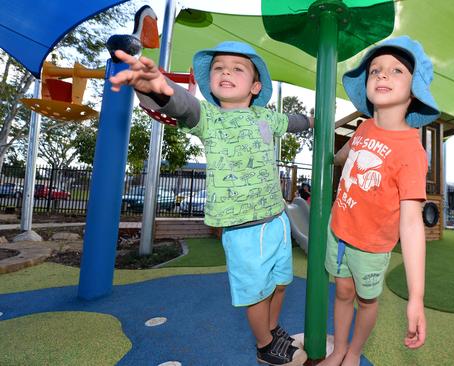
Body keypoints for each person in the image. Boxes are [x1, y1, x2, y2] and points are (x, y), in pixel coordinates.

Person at [109, 41, 312, 366]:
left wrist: (315, 121)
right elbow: (182, 104)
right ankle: (264, 345)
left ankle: (274, 330)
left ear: (255, 86)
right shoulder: (210, 117)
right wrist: (161, 88)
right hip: (244, 229)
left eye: (237, 68)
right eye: (219, 68)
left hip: (277, 219)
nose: (226, 72)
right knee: (257, 294)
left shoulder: (264, 117)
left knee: (280, 284)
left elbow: (293, 122)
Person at [321, 36, 439, 366]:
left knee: (366, 301)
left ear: (414, 90)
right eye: (375, 70)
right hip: (339, 231)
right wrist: (328, 158)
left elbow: (413, 223)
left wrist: (416, 296)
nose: (382, 75)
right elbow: (342, 157)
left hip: (372, 246)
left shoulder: (411, 152)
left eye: (395, 70)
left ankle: (354, 352)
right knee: (342, 292)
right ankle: (339, 348)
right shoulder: (364, 129)